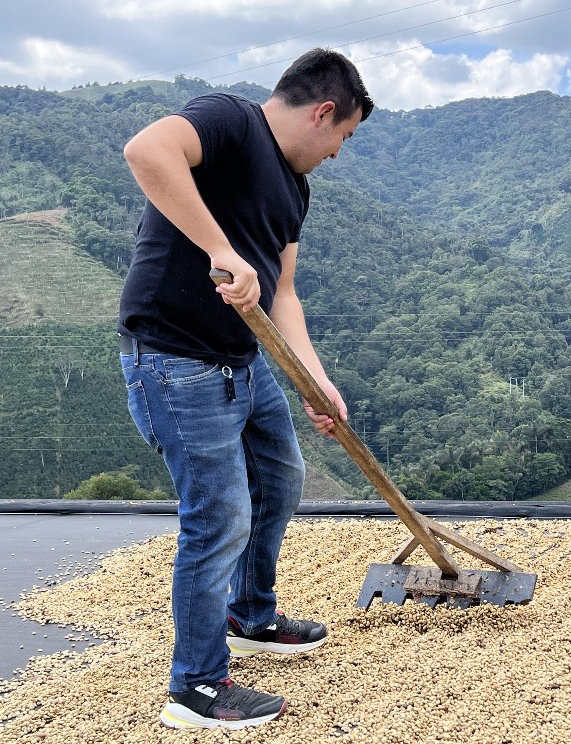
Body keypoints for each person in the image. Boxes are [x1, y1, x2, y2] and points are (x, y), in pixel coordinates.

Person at [117, 48, 373, 730]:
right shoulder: (230, 120)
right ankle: (195, 688)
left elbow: (283, 294)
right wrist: (219, 249)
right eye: (343, 136)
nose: (338, 153)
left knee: (282, 479)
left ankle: (250, 617)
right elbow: (147, 152)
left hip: (245, 361)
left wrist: (316, 382)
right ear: (324, 112)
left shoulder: (296, 189)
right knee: (219, 517)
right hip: (174, 362)